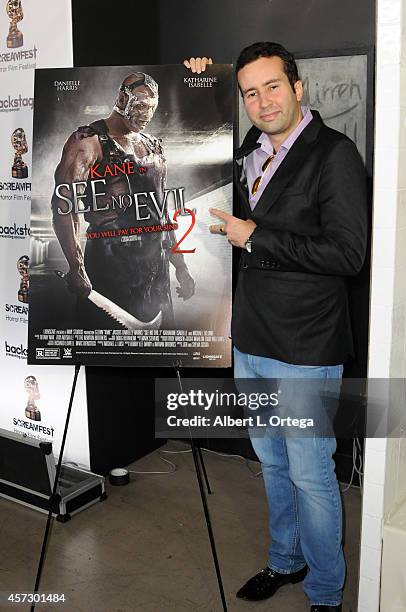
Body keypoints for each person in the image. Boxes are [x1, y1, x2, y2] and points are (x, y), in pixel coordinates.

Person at [185, 43, 367, 612]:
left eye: (273, 86)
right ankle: (284, 560)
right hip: (253, 339)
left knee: (312, 474)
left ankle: (326, 593)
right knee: (272, 462)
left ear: (298, 87)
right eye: (250, 91)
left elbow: (348, 253)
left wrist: (255, 237)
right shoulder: (250, 147)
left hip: (306, 346)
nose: (263, 101)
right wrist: (197, 84)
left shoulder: (334, 153)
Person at [51, 72, 195, 328]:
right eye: (140, 105)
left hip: (155, 271)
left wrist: (180, 266)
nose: (146, 114)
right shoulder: (88, 142)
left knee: (160, 349)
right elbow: (63, 206)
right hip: (110, 267)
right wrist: (75, 265)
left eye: (151, 108)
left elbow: (161, 212)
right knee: (106, 346)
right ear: (121, 98)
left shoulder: (153, 146)